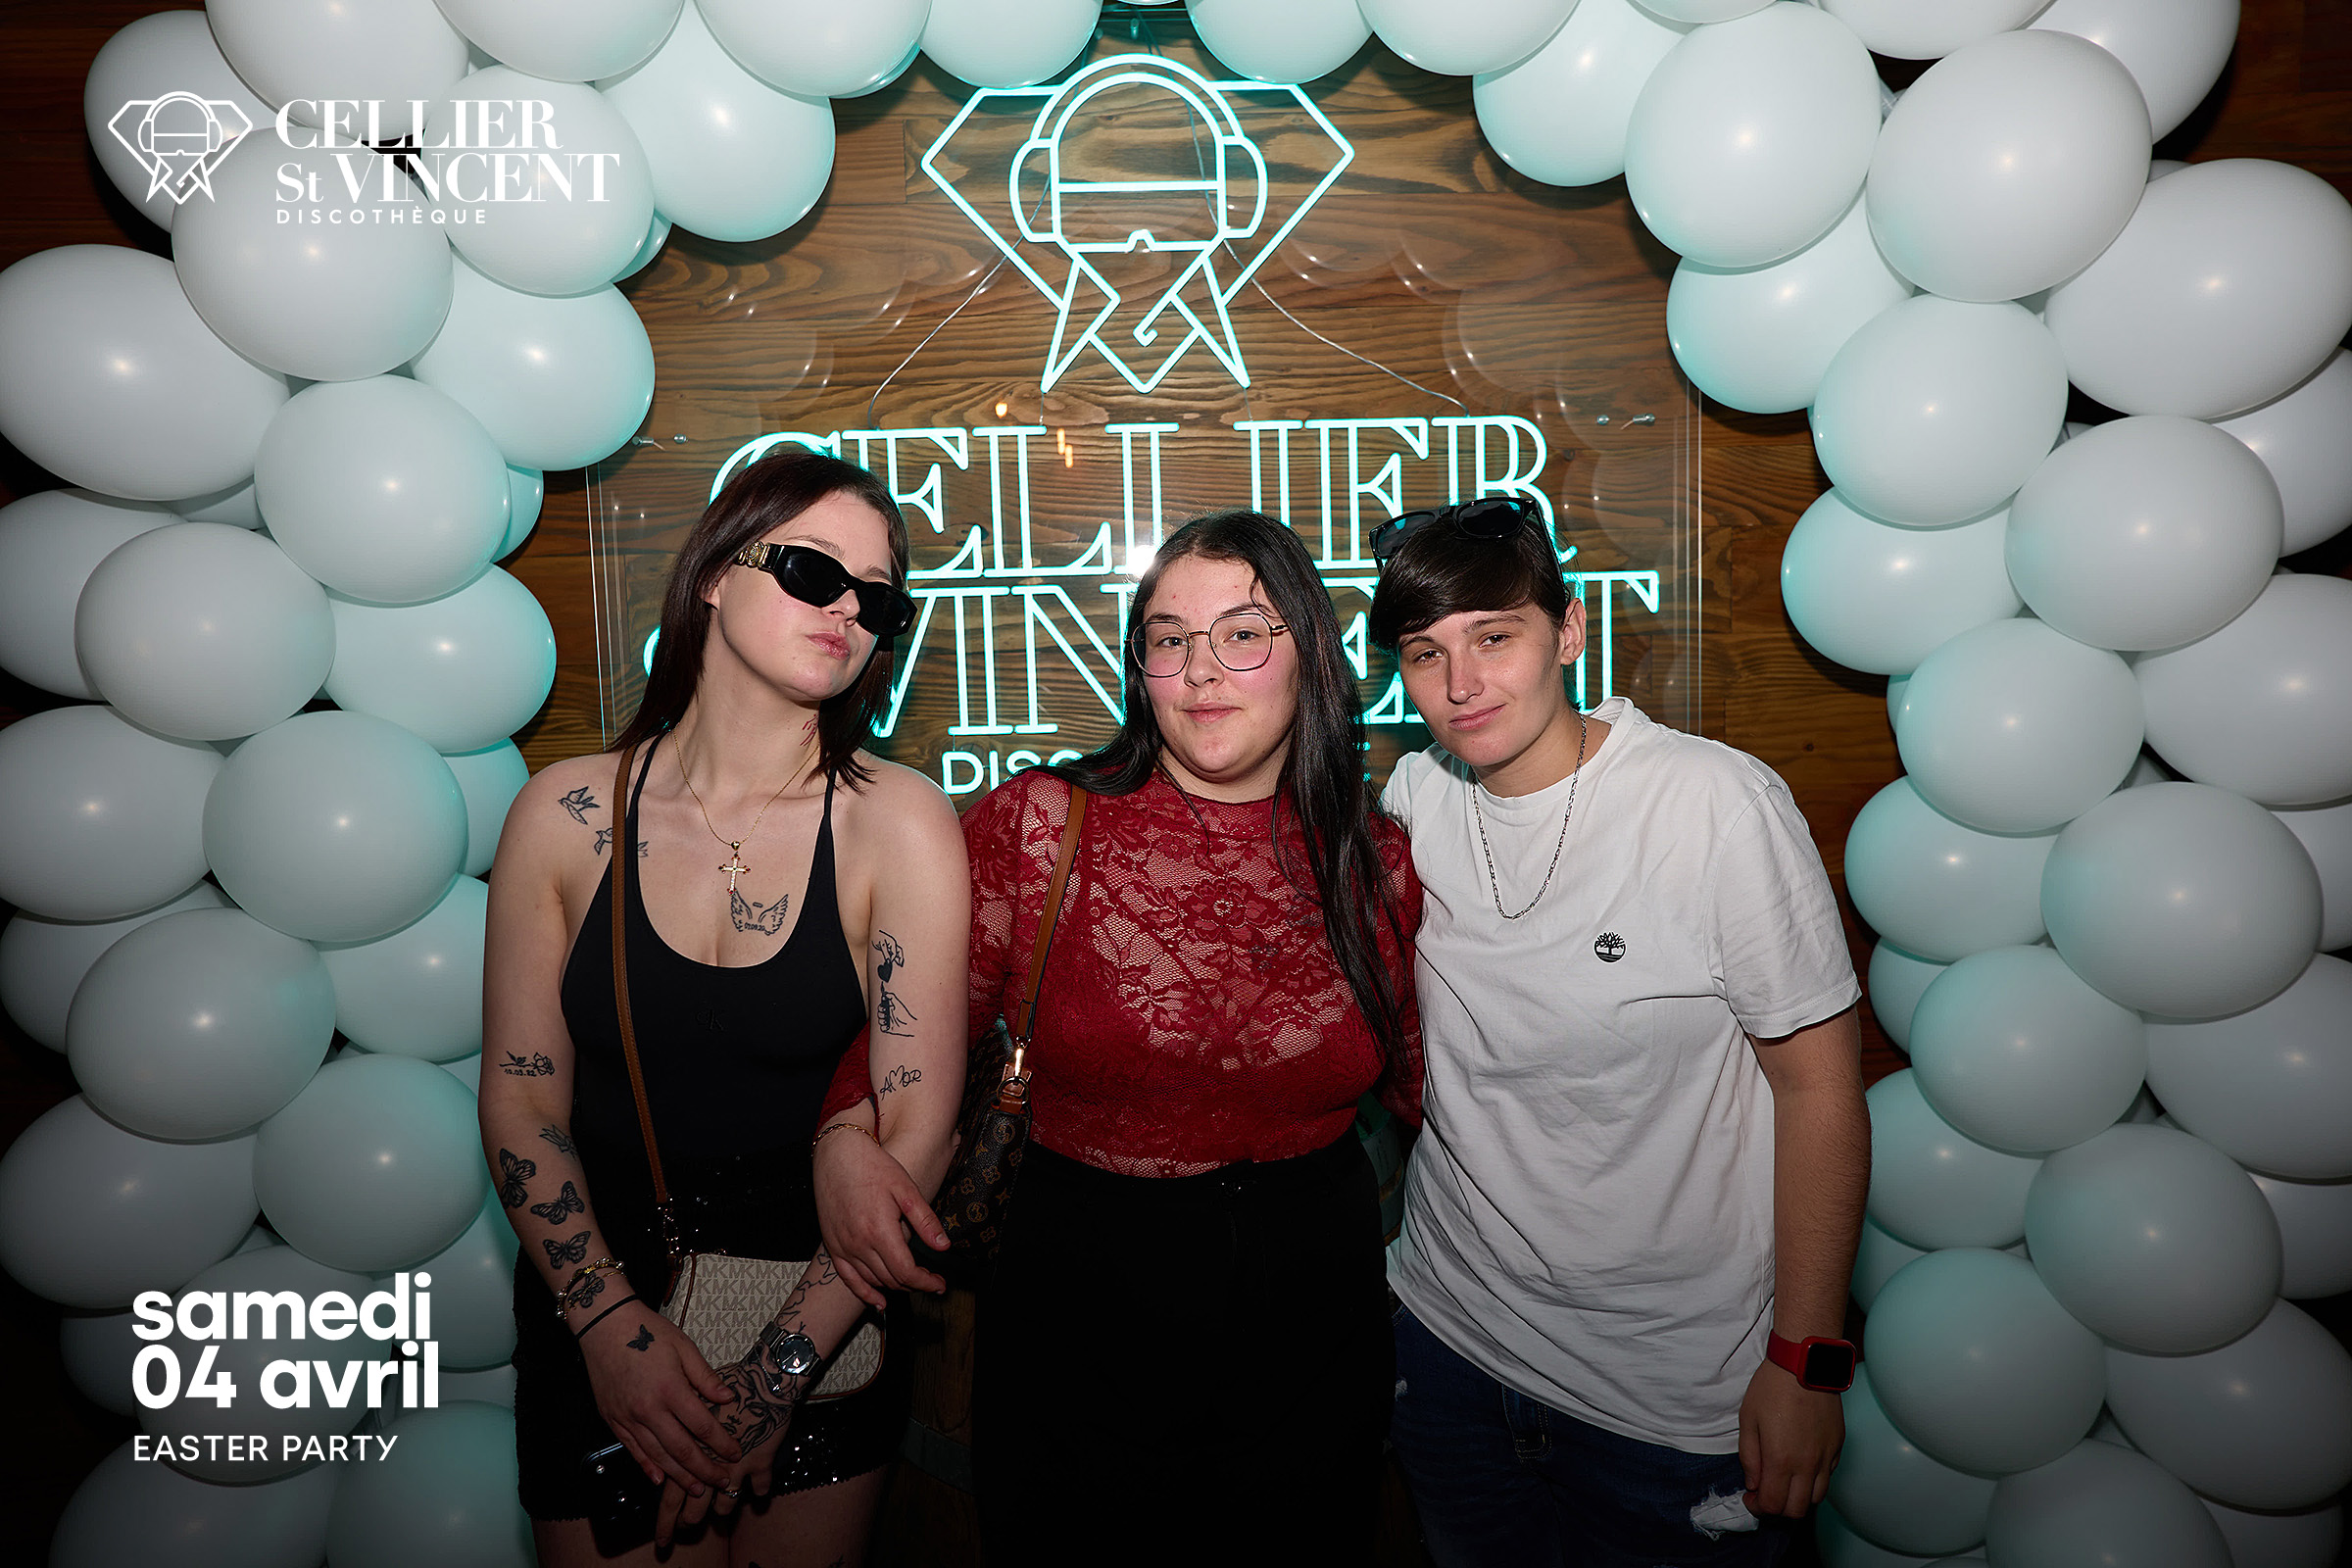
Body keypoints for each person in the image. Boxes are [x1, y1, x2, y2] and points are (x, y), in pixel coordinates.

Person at [818, 509, 1424, 1564]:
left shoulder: (1375, 857)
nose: (1202, 670)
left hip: (1315, 1316)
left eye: (1243, 633)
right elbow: (906, 1027)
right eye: (1168, 638)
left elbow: (1431, 1088)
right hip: (1080, 1311)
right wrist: (841, 1137)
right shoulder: (1042, 823)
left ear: (1312, 656)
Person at [480, 448, 969, 1567]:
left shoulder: (897, 821)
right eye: (812, 570)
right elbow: (522, 1108)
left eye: (877, 598)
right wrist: (608, 1328)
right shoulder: (563, 815)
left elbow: (919, 1130)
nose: (846, 609)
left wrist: (776, 1376)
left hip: (819, 1320)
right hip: (598, 1308)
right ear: (712, 572)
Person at [1367, 499, 1869, 1567]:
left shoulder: (1713, 806)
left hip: (1674, 1403)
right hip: (1451, 1354)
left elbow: (1820, 1089)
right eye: (1425, 653)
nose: (1461, 684)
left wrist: (1807, 1361)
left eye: (1494, 636)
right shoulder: (1415, 797)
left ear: (1570, 630)